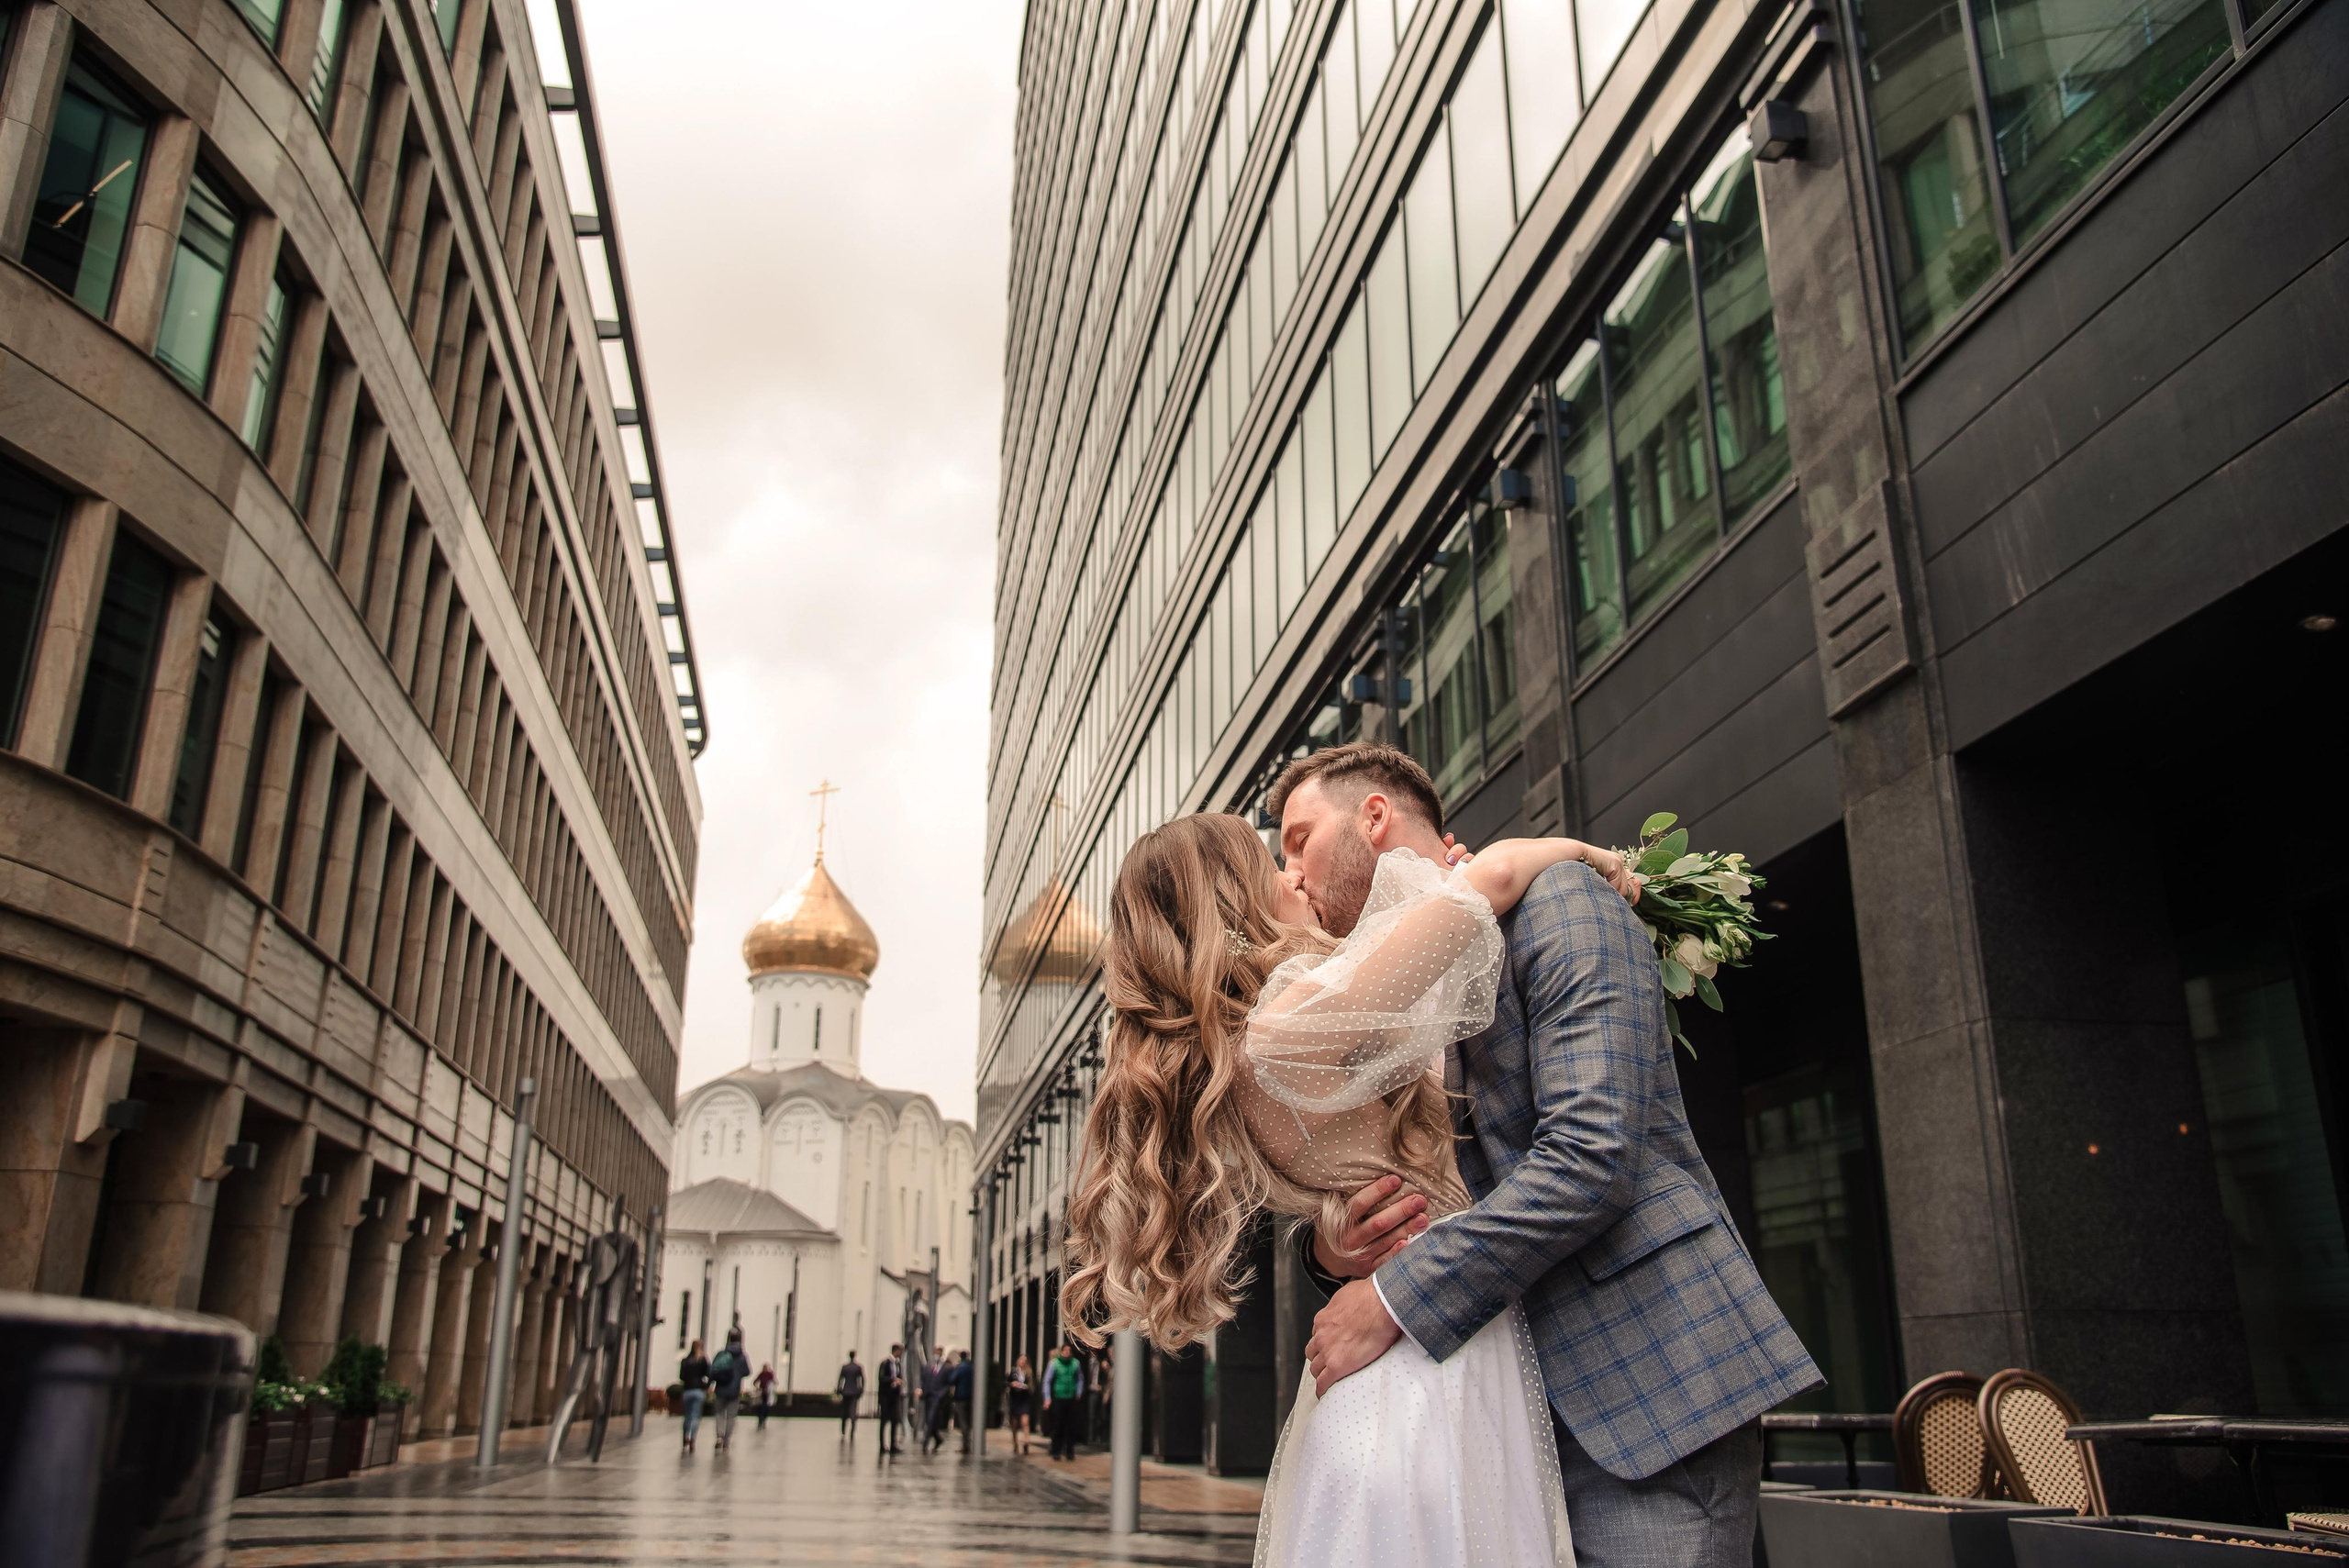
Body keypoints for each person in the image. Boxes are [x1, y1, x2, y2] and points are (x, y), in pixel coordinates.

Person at [1062, 742, 1820, 1568]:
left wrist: (1392, 1290)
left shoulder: (1559, 903)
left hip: (1638, 1376)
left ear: (1373, 817)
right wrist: (1333, 1250)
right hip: (1476, 1390)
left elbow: (1591, 1154)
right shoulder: (1350, 990)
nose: (1294, 872)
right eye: (1275, 860)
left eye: (1300, 842)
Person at [1042, 1342, 1085, 1460]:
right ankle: (1056, 1450)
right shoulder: (1054, 1364)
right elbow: (1047, 1381)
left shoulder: (1075, 1363)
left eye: (1069, 1351)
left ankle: (1069, 1451)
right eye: (1064, 1350)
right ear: (1061, 1352)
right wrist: (1047, 1398)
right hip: (1058, 1397)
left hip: (1071, 1397)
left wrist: (1079, 1392)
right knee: (1058, 1425)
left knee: (1070, 1425)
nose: (1067, 1353)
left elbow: (1080, 1378)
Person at [707, 1330, 747, 1452]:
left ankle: (719, 1435)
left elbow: (713, 1370)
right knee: (731, 1416)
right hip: (734, 1391)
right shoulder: (741, 1356)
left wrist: (709, 1384)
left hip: (721, 1389)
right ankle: (726, 1440)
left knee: (719, 1413)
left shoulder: (722, 1354)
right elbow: (747, 1371)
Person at [676, 1340, 710, 1454]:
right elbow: (709, 1373)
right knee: (695, 1416)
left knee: (687, 1416)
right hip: (699, 1390)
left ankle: (685, 1437)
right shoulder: (702, 1359)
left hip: (687, 1390)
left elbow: (681, 1376)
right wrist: (706, 1386)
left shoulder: (685, 1360)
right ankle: (693, 1439)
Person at [874, 1342, 906, 1455]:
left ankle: (893, 1444)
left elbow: (899, 1376)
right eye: (900, 1351)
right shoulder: (885, 1363)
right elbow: (881, 1378)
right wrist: (893, 1380)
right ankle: (882, 1444)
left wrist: (899, 1382)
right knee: (884, 1420)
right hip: (885, 1396)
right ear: (896, 1351)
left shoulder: (898, 1364)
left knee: (894, 1420)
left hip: (894, 1396)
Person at [1005, 1354, 1034, 1455]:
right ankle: (1015, 1444)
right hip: (1015, 1400)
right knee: (1014, 1424)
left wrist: (1026, 1387)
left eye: (1025, 1361)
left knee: (1025, 1422)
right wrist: (1012, 1384)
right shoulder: (1013, 1372)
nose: (1022, 1362)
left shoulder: (1029, 1373)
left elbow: (1032, 1387)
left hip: (1024, 1400)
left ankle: (1026, 1443)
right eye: (1021, 1360)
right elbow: (1005, 1382)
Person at [948, 1351, 974, 1451]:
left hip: (960, 1397)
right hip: (971, 1397)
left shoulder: (960, 1368)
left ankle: (965, 1445)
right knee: (968, 1421)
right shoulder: (971, 1367)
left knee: (963, 1422)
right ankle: (968, 1444)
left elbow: (952, 1380)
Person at [835, 1351, 863, 1440]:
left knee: (844, 1412)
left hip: (846, 1391)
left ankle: (843, 1431)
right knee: (853, 1412)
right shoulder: (858, 1367)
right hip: (854, 1391)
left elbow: (840, 1379)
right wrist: (861, 1389)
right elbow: (862, 1379)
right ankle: (852, 1431)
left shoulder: (845, 1367)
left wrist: (839, 1389)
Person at [754, 1362, 775, 1429]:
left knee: (766, 1408)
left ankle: (764, 1419)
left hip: (768, 1394)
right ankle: (761, 1419)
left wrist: (771, 1388)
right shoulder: (761, 1374)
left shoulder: (770, 1374)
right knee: (761, 1407)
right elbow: (755, 1382)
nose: (765, 1369)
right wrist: (757, 1388)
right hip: (762, 1393)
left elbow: (774, 1382)